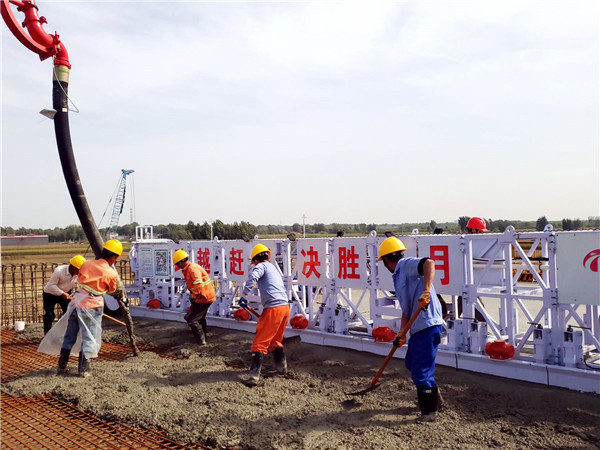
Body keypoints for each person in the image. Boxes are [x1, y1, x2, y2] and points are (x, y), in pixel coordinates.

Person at [378, 236, 445, 420]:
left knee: (420, 371)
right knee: (411, 363)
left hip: (427, 325)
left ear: (386, 260)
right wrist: (402, 332)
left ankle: (429, 412)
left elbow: (429, 263)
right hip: (417, 327)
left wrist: (426, 290)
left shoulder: (405, 265)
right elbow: (406, 311)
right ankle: (435, 397)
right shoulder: (398, 276)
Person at [57, 239, 125, 377]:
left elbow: (80, 277)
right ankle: (83, 370)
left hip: (76, 304)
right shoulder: (111, 273)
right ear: (113, 257)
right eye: (117, 257)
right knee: (89, 338)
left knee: (69, 336)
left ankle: (61, 367)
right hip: (92, 307)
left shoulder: (87, 264)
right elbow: (111, 290)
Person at [239, 244, 290, 387]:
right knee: (275, 341)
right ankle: (282, 369)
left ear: (256, 259)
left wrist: (244, 295)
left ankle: (253, 377)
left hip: (273, 309)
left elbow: (252, 278)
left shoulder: (260, 266)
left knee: (259, 343)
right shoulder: (272, 267)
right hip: (285, 308)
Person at [173, 249, 215, 346]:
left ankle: (201, 342)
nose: (177, 266)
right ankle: (204, 338)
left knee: (192, 320)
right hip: (204, 296)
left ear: (181, 262)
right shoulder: (190, 268)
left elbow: (198, 283)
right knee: (200, 318)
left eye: (177, 264)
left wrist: (194, 296)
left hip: (203, 297)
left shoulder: (192, 269)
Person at [42, 255, 86, 334]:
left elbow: (82, 285)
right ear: (73, 268)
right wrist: (62, 293)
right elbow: (51, 285)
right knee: (49, 315)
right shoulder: (59, 271)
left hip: (66, 293)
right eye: (79, 270)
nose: (80, 272)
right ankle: (47, 335)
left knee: (68, 313)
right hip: (50, 293)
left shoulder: (78, 274)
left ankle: (64, 334)